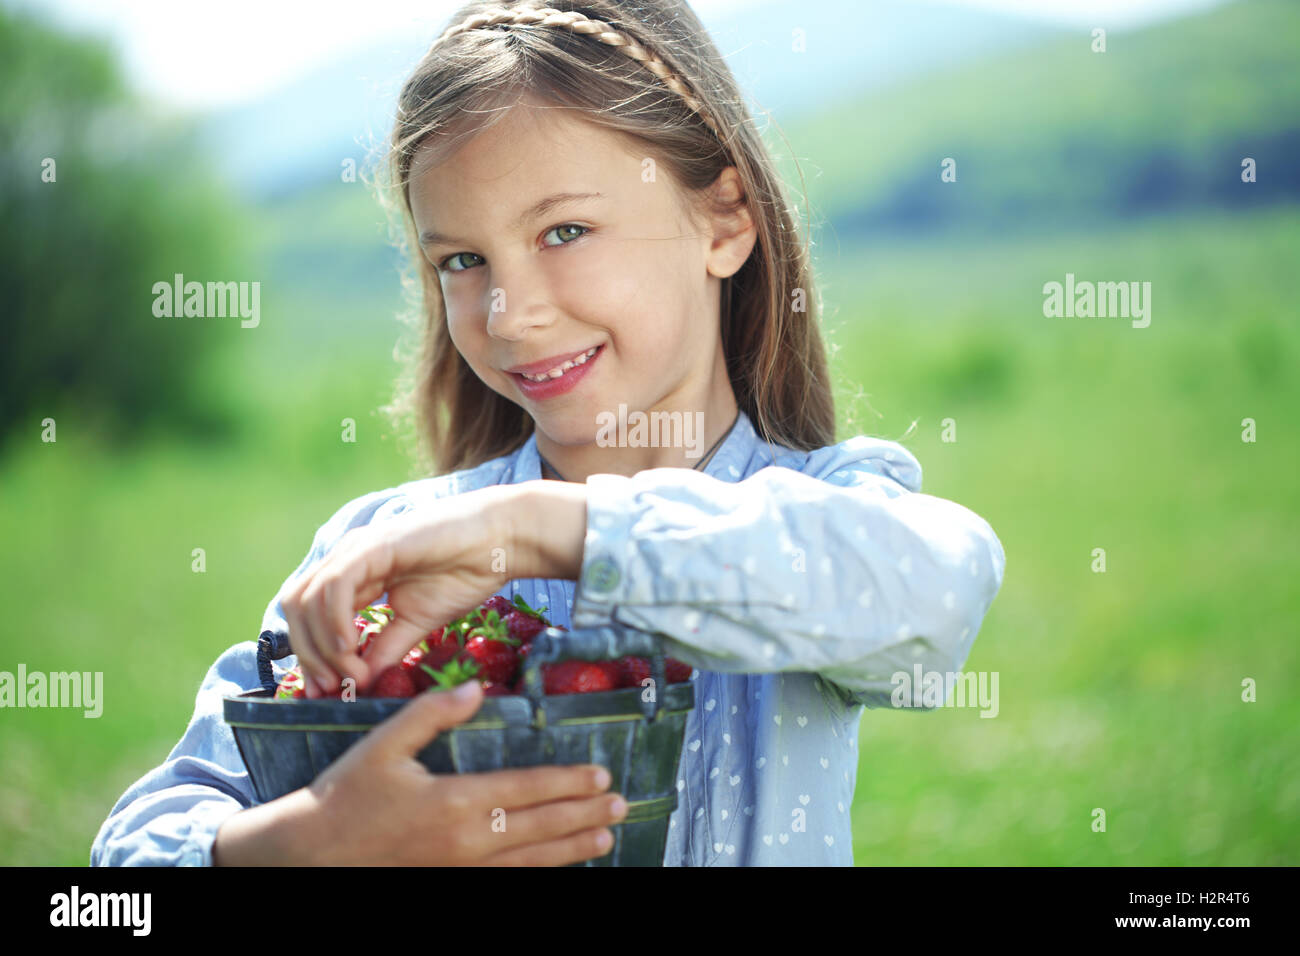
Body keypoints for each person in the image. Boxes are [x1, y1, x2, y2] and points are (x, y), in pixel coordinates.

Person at [91, 0, 1005, 867]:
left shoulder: (821, 508)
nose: (510, 312)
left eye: (565, 229)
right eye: (461, 259)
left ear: (725, 220)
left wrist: (536, 530)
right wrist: (299, 845)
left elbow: (939, 596)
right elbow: (121, 865)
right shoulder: (375, 550)